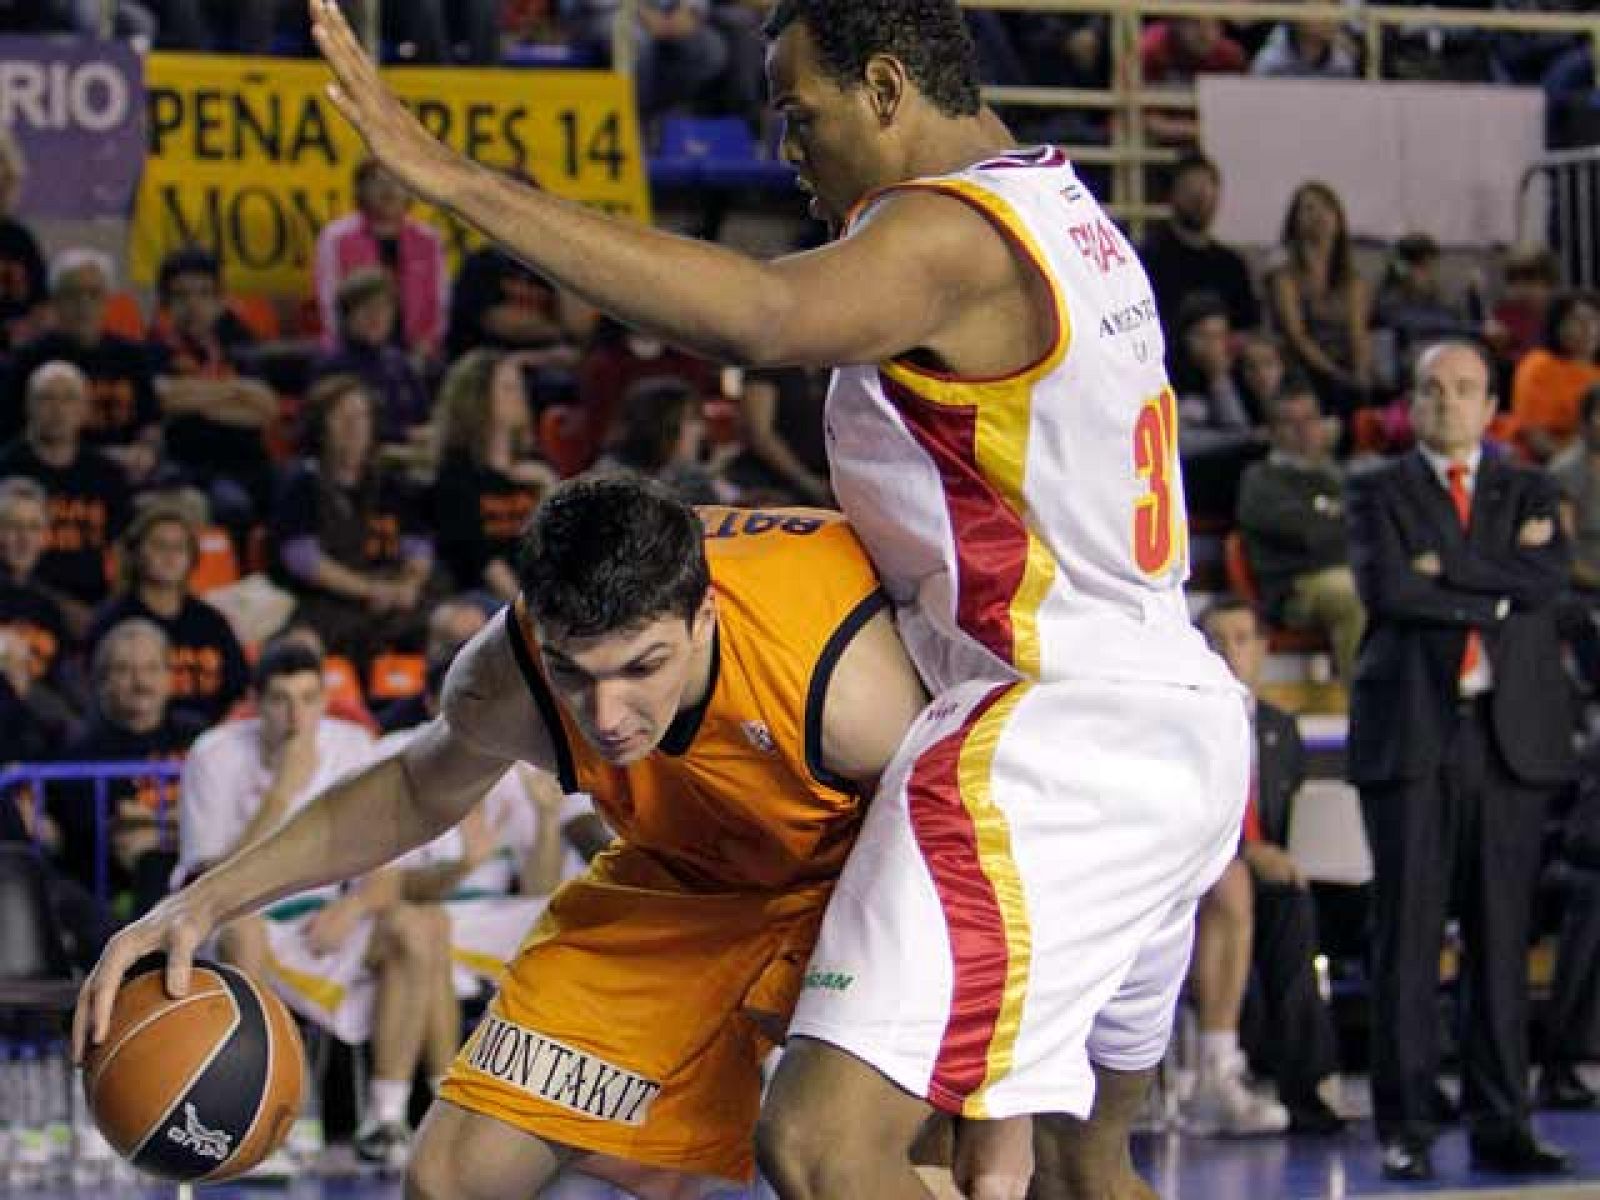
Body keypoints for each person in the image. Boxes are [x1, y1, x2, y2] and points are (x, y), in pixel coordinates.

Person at [105, 3, 1251, 1197]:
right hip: (1160, 728)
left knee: (824, 1146)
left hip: (1048, 742)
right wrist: (210, 895)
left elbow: (759, 317)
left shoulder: (952, 238)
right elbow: (419, 777)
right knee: (1082, 1164)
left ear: (888, 87)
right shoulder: (1067, 215)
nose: (786, 150)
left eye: (799, 116)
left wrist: (449, 178)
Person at [76, 477, 1013, 1197]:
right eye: (576, 674)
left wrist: (998, 1096)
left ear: (703, 615)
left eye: (642, 669)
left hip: (881, 872)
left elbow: (982, 861)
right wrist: (199, 900)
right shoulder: (510, 669)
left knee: (859, 1163)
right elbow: (411, 788)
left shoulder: (850, 688)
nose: (606, 715)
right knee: (450, 1179)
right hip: (678, 881)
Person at [1346, 339, 1575, 1182]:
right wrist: (1501, 585)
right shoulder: (1375, 487)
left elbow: (1549, 585)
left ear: (1491, 407)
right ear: (1413, 402)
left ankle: (1502, 1120)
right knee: (1407, 938)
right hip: (1411, 738)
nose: (1449, 404)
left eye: (1466, 390)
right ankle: (1405, 1126)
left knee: (1503, 939)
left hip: (1508, 741)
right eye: (1434, 391)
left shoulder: (1531, 485)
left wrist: (1456, 574)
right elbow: (1391, 591)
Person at [176, 637, 456, 1173]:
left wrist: (351, 911)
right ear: (254, 703)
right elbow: (205, 885)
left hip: (328, 917)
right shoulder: (213, 753)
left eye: (308, 699)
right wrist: (282, 793)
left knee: (419, 925)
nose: (295, 716)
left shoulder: (353, 745)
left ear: (325, 700)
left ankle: (385, 1120)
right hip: (244, 916)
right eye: (280, 700)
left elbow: (386, 859)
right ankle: (251, 1122)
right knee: (245, 933)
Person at [1197, 596, 1345, 1135]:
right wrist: (1245, 851)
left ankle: (1305, 1088)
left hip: (1277, 880)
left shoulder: (1282, 729)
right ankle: (1229, 1072)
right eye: (1216, 640)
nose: (1230, 652)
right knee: (1245, 891)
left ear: (1263, 649)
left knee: (1296, 906)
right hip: (1205, 874)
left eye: (1241, 639)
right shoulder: (1186, 724)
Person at [52, 619, 203, 916]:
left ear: (169, 677)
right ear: (102, 681)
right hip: (121, 896)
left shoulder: (198, 736)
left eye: (152, 669)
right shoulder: (80, 753)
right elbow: (122, 840)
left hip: (203, 877)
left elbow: (224, 817)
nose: (141, 683)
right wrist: (184, 828)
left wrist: (157, 831)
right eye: (124, 670)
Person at [1235, 382, 1366, 681]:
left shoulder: (1339, 475)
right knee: (1352, 593)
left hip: (1349, 571)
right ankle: (1363, 708)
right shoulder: (1260, 480)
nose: (1304, 429)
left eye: (1310, 419)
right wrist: (1345, 525)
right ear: (1271, 430)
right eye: (1290, 422)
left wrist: (1332, 520)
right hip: (1296, 589)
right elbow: (1307, 536)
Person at [86, 505, 250, 727]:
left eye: (179, 547)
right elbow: (94, 690)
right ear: (136, 554)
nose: (170, 555)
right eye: (159, 545)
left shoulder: (211, 622)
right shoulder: (111, 620)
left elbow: (239, 689)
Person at [0, 361, 132, 633]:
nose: (58, 409)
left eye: (69, 398)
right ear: (28, 406)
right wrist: (57, 605)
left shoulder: (107, 474)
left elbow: (122, 552)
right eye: (47, 398)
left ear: (84, 409)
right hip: (20, 601)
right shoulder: (6, 467)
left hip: (96, 607)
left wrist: (112, 610)